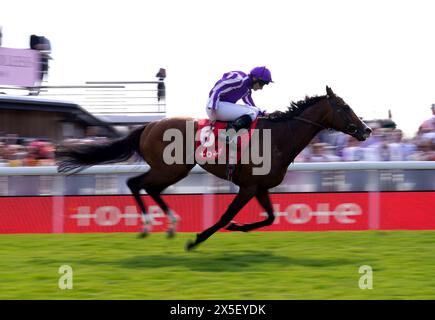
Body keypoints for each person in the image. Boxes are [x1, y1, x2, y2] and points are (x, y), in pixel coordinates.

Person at [206, 66, 272, 135]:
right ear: (255, 78)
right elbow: (217, 89)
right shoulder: (239, 79)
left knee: (254, 111)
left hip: (221, 107)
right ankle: (228, 133)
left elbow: (251, 105)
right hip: (214, 107)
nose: (261, 88)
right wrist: (213, 109)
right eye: (261, 84)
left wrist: (264, 114)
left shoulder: (247, 89)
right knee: (251, 113)